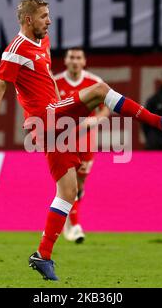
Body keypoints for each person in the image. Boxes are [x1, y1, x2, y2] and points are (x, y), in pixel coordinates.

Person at [0, 0, 162, 281]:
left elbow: (44, 82)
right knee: (100, 90)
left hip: (53, 123)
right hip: (45, 119)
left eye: (48, 15)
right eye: (44, 16)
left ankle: (42, 255)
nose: (49, 20)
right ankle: (161, 122)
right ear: (28, 20)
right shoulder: (14, 51)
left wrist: (62, 109)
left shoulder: (42, 43)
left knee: (68, 192)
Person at [54, 47, 110, 244]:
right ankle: (75, 225)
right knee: (68, 184)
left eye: (79, 57)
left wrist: (95, 121)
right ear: (66, 60)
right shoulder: (55, 82)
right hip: (63, 140)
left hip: (86, 141)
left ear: (84, 61)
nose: (75, 61)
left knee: (80, 184)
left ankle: (69, 220)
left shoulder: (94, 82)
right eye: (72, 57)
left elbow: (105, 109)